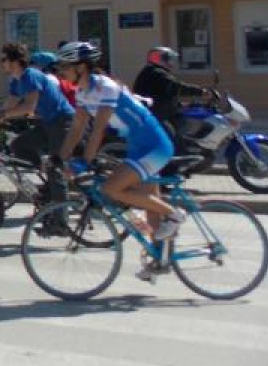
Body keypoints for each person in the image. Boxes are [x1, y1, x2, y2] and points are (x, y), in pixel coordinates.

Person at [55, 41, 183, 269]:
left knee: (111, 188)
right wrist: (59, 159)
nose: (60, 71)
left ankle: (174, 214)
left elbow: (98, 129)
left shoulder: (104, 86)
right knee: (149, 204)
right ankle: (161, 260)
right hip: (137, 147)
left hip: (154, 145)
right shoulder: (83, 92)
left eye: (65, 66)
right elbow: (77, 128)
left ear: (81, 67)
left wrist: (86, 161)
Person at [0, 43, 75, 166]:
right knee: (19, 146)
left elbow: (29, 106)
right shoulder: (16, 81)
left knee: (56, 166)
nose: (1, 63)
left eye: (4, 59)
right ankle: (43, 168)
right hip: (47, 122)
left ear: (15, 62)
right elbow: (7, 106)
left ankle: (53, 174)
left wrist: (3, 114)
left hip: (62, 121)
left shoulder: (31, 75)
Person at [131, 46, 211, 139]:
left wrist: (182, 104)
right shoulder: (156, 73)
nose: (171, 62)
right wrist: (201, 92)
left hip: (160, 112)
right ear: (158, 58)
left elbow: (163, 94)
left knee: (183, 123)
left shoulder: (154, 72)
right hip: (156, 115)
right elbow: (175, 87)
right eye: (168, 58)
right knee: (172, 138)